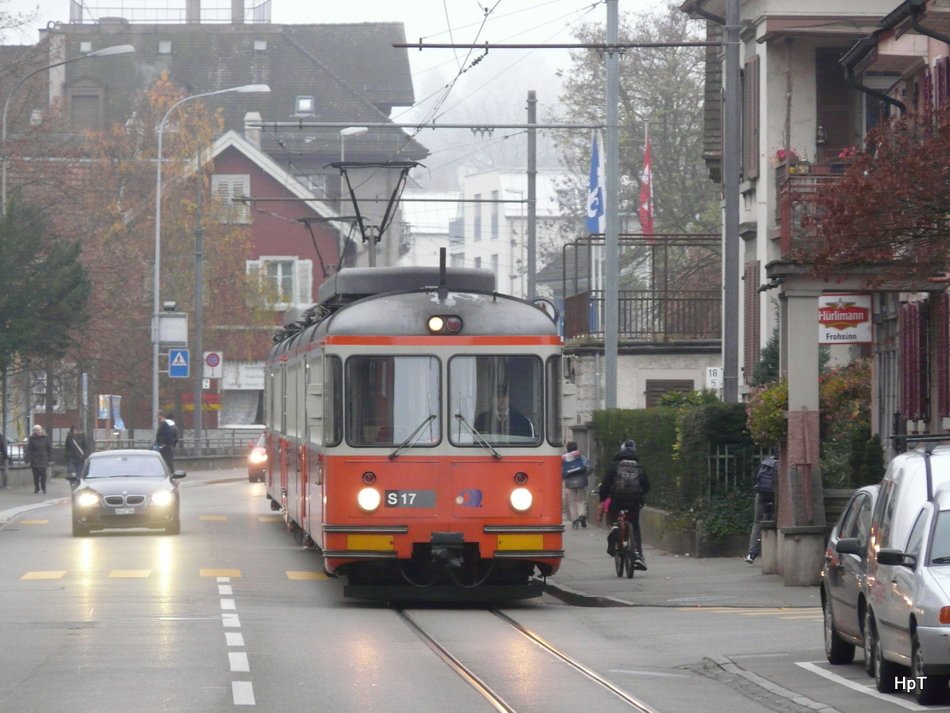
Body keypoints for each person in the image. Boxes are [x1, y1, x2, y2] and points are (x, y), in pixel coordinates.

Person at [599, 439, 650, 570]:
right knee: (635, 525)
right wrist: (641, 496)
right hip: (634, 501)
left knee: (613, 513)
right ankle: (638, 554)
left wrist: (602, 499)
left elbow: (605, 485)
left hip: (617, 499)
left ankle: (615, 527)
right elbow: (646, 486)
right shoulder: (639, 467)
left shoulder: (615, 466)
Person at [745, 455, 777, 564]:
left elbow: (756, 477)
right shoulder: (780, 464)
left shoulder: (766, 462)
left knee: (757, 522)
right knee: (776, 520)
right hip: (773, 494)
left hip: (761, 493)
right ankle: (774, 550)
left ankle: (751, 554)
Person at [562, 441, 591, 529]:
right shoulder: (580, 456)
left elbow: (561, 471)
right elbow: (589, 467)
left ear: (567, 448)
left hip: (569, 482)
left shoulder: (564, 458)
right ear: (576, 448)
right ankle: (582, 515)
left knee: (572, 501)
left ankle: (574, 519)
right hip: (581, 481)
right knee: (581, 500)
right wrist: (585, 475)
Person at [25, 424, 52, 494]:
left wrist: (50, 458)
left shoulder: (46, 438)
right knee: (36, 474)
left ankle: (43, 487)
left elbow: (49, 448)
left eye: (39, 430)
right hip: (35, 458)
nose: (38, 431)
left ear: (41, 430)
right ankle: (36, 487)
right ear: (34, 431)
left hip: (43, 458)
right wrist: (27, 458)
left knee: (43, 474)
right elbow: (29, 449)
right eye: (36, 430)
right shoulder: (32, 438)